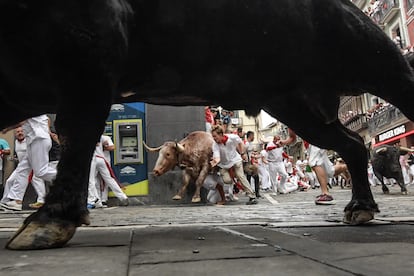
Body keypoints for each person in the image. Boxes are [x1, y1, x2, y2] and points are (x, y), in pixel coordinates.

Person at [0, 115, 57, 211]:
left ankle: (68, 177)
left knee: (41, 172)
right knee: (23, 169)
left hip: (39, 139)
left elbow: (22, 121)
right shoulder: (30, 105)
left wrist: (7, 128)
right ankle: (16, 201)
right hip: (33, 139)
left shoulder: (30, 106)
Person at [279, 128, 347, 205]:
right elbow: (292, 138)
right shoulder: (290, 118)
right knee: (330, 171)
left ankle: (326, 194)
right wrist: (283, 142)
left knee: (314, 163)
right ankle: (351, 164)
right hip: (311, 144)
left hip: (316, 138)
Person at [210, 125, 258, 205]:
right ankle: (233, 178)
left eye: (215, 136)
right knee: (227, 180)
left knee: (241, 176)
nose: (214, 138)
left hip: (235, 160)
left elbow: (240, 143)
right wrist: (213, 163)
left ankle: (252, 196)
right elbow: (217, 158)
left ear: (221, 134)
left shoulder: (232, 137)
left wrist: (242, 153)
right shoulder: (215, 145)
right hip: (224, 165)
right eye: (213, 137)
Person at [87, 134, 128, 208]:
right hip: (102, 159)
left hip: (92, 158)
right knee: (109, 179)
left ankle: (93, 200)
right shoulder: (101, 136)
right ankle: (123, 197)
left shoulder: (85, 134)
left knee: (91, 180)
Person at [244, 131, 260, 198]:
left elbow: (250, 154)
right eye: (253, 136)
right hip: (246, 163)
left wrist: (254, 156)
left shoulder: (250, 144)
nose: (254, 137)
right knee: (249, 177)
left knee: (253, 177)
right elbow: (243, 152)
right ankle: (251, 192)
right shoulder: (247, 144)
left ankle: (255, 193)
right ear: (250, 136)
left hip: (250, 162)